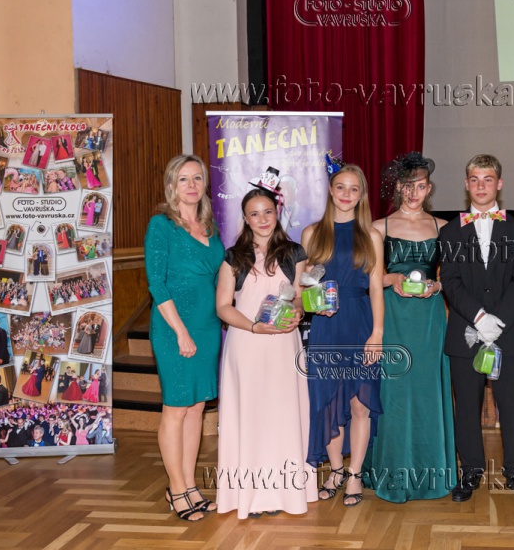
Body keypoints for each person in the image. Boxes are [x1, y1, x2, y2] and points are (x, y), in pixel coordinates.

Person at [439, 154, 514, 503]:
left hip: (507, 335)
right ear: (466, 184)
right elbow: (450, 282)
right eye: (475, 179)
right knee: (467, 407)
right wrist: (480, 318)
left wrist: (500, 321)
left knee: (511, 407)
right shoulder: (450, 231)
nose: (481, 186)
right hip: (465, 333)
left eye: (488, 179)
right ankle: (471, 471)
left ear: (500, 184)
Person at [215, 186, 316, 518]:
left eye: (268, 212)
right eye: (254, 214)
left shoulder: (295, 252)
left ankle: (287, 493)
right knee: (251, 416)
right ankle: (251, 496)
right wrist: (254, 326)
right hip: (247, 344)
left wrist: (298, 311)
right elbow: (223, 307)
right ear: (245, 218)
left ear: (277, 213)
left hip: (284, 342)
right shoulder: (233, 257)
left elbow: (300, 296)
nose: (262, 219)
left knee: (284, 415)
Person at [363, 153, 456, 503]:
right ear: (398, 188)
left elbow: (452, 278)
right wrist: (393, 279)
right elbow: (371, 279)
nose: (414, 192)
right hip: (393, 315)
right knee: (395, 391)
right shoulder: (378, 227)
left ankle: (431, 473)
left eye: (421, 186)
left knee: (428, 389)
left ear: (429, 189)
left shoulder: (445, 227)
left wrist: (437, 285)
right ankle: (392, 471)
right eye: (408, 186)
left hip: (430, 317)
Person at [145, 155, 224, 522]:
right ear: (171, 186)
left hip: (208, 326)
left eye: (197, 178)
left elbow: (220, 279)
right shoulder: (162, 225)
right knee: (176, 407)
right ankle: (176, 489)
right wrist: (180, 332)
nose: (191, 185)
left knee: (197, 407)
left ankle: (190, 485)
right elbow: (156, 283)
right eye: (183, 179)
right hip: (174, 326)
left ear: (204, 184)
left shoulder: (210, 227)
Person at [301, 164, 384, 507]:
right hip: (326, 326)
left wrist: (377, 333)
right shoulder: (311, 233)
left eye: (354, 189)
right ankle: (335, 470)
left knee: (360, 403)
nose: (346, 194)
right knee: (328, 400)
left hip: (361, 323)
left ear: (361, 195)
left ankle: (355, 474)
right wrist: (313, 302)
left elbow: (376, 287)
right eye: (341, 187)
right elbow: (304, 286)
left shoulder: (372, 236)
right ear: (330, 190)